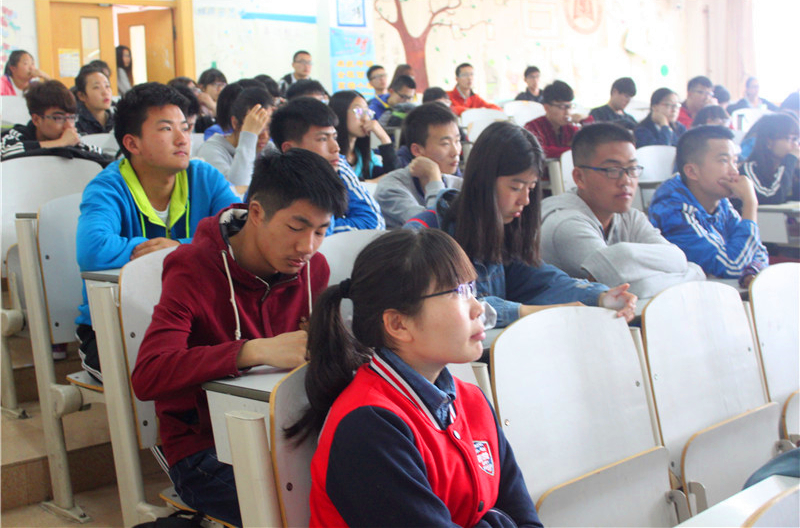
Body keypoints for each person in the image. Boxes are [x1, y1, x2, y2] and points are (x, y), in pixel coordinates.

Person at [132, 149, 348, 528]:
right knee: (315, 514)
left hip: (292, 432)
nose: (308, 246)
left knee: (368, 491)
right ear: (257, 212)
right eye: (296, 227)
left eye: (320, 231)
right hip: (205, 448)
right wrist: (252, 351)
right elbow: (149, 375)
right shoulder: (192, 267)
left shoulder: (314, 269)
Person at [286, 227, 543, 527]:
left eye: (472, 289)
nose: (478, 308)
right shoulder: (368, 426)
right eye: (458, 293)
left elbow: (526, 519)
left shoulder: (471, 400)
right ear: (398, 324)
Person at [75, 82, 241, 382]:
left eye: (185, 127)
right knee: (162, 381)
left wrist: (180, 247)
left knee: (224, 371)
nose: (182, 138)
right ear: (132, 143)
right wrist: (164, 251)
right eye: (166, 129)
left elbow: (240, 229)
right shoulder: (107, 187)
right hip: (116, 324)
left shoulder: (204, 176)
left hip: (191, 318)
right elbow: (93, 249)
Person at [406, 122, 637, 328]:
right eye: (516, 187)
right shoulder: (424, 236)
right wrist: (526, 312)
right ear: (483, 181)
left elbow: (541, 281)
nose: (525, 200)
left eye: (531, 188)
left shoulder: (501, 229)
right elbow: (450, 307)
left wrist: (602, 297)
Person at [540, 123, 705, 299]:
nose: (626, 180)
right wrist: (692, 274)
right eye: (613, 170)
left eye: (632, 169)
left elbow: (678, 259)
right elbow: (625, 292)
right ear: (579, 177)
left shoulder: (630, 216)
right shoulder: (565, 224)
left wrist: (624, 255)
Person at [648, 125, 769, 286]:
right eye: (723, 161)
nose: (734, 171)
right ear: (692, 172)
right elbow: (733, 267)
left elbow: (758, 252)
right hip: (685, 296)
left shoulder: (719, 199)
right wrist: (750, 204)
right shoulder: (672, 209)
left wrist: (750, 271)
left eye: (735, 161)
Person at [269, 97, 385, 234]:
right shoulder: (270, 180)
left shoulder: (337, 166)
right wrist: (321, 230)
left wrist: (325, 229)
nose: (336, 148)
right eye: (323, 139)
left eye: (334, 137)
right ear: (290, 149)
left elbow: (374, 223)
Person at [375, 103, 463, 228]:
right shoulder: (390, 188)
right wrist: (434, 178)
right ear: (417, 150)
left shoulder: (456, 184)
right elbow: (432, 228)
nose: (456, 152)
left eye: (457, 141)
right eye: (445, 143)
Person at [1, 80, 107, 163]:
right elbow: (6, 152)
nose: (68, 126)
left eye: (71, 118)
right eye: (58, 118)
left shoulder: (74, 140)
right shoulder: (17, 135)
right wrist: (61, 143)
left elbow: (101, 156)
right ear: (36, 120)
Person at [197, 86, 274, 187]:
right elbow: (237, 190)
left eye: (268, 127)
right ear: (235, 123)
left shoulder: (269, 149)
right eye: (256, 127)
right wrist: (249, 136)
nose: (265, 135)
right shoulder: (211, 151)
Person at [329, 90, 398, 181]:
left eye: (367, 112)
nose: (365, 118)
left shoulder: (364, 155)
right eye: (359, 111)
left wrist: (384, 138)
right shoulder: (330, 154)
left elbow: (394, 177)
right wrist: (370, 182)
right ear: (340, 113)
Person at [738, 112, 800, 205]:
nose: (795, 144)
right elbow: (771, 199)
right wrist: (790, 160)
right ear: (769, 142)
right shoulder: (749, 169)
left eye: (796, 139)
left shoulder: (792, 168)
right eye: (789, 138)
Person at [524, 80, 584, 159]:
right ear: (546, 108)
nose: (567, 112)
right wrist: (573, 150)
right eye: (562, 107)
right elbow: (539, 151)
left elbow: (589, 146)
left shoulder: (571, 128)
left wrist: (584, 121)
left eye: (569, 106)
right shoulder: (532, 127)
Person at [74, 64, 114, 135]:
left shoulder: (118, 119)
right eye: (96, 87)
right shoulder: (74, 123)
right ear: (82, 96)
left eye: (107, 86)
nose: (105, 92)